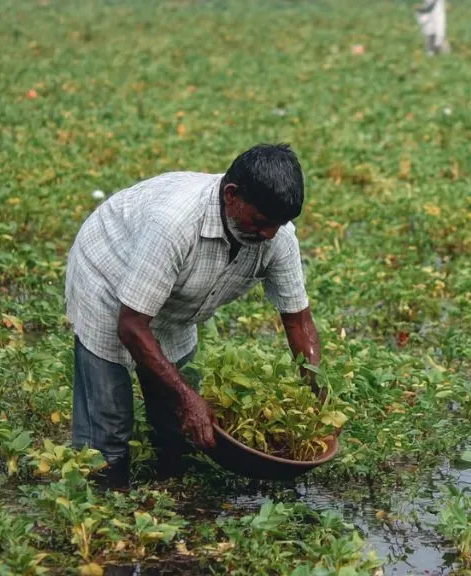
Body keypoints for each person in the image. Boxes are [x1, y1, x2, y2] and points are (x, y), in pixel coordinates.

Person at [65, 143, 323, 489]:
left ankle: (172, 494)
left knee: (181, 430)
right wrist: (188, 397)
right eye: (261, 222)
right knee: (108, 428)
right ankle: (101, 498)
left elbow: (297, 321)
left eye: (279, 224)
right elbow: (131, 325)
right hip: (109, 278)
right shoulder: (174, 224)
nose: (269, 234)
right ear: (231, 195)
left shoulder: (276, 236)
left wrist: (316, 395)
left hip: (176, 300)